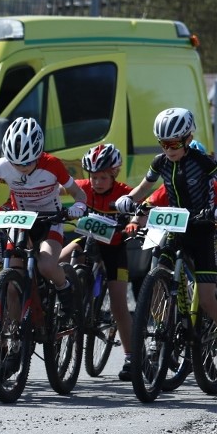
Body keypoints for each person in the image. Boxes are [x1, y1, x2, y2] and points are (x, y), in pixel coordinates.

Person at [114, 107, 217, 381]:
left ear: (188, 139)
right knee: (157, 278)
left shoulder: (201, 161)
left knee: (207, 299)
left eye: (174, 144)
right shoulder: (160, 162)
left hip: (202, 230)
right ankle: (163, 332)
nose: (168, 149)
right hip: (175, 228)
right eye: (163, 144)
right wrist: (130, 200)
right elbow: (144, 188)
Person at [0, 116, 88, 320]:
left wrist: (79, 206)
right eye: (15, 163)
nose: (21, 168)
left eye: (27, 162)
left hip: (49, 220)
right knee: (11, 285)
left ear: (38, 153)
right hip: (21, 220)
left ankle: (64, 287)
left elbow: (79, 194)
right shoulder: (4, 165)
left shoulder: (52, 165)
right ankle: (13, 335)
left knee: (46, 266)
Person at [59, 143, 133, 379]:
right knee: (59, 259)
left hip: (114, 248)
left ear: (114, 174)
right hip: (88, 240)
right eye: (93, 177)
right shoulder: (83, 188)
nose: (97, 182)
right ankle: (63, 298)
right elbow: (57, 189)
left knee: (118, 305)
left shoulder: (125, 193)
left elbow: (144, 208)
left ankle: (131, 357)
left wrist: (135, 223)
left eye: (103, 177)